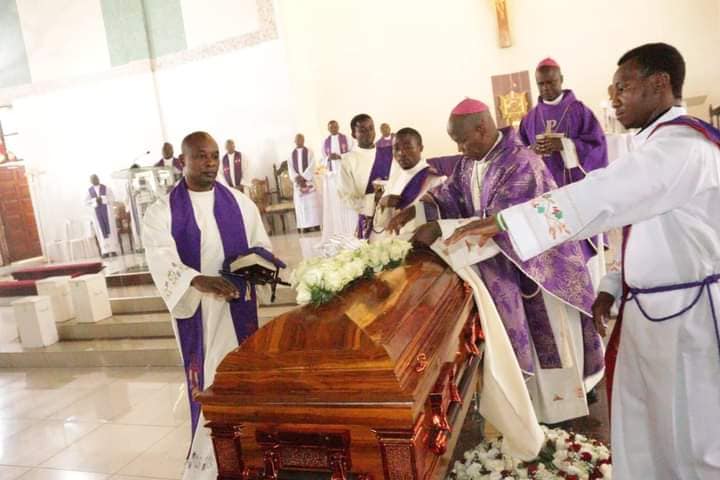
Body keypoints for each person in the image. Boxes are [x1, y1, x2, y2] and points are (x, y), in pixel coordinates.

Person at [443, 44, 720, 479]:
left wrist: (506, 221)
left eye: (623, 87)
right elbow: (648, 231)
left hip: (688, 321)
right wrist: (614, 283)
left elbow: (605, 194)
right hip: (651, 312)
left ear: (660, 83)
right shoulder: (655, 144)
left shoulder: (683, 147)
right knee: (654, 427)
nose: (613, 97)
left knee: (695, 431)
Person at [388, 98, 603, 425]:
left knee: (554, 341)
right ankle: (532, 409)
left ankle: (565, 413)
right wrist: (415, 210)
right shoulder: (470, 162)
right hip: (508, 268)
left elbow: (501, 223)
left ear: (482, 128)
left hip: (540, 271)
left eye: (462, 140)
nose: (459, 149)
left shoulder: (521, 163)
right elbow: (449, 196)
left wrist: (440, 229)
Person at [142, 131, 281, 480]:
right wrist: (197, 280)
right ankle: (209, 460)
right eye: (201, 156)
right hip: (199, 312)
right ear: (182, 161)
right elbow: (160, 257)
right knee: (208, 380)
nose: (210, 163)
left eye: (214, 156)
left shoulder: (239, 203)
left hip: (237, 306)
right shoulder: (163, 211)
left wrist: (259, 265)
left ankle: (248, 448)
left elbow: (262, 246)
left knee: (242, 377)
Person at [519, 58, 609, 287]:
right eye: (541, 84)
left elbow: (597, 145)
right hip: (543, 196)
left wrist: (565, 146)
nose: (546, 88)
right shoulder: (530, 118)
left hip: (576, 192)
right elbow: (519, 155)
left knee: (582, 252)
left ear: (562, 80)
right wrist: (532, 151)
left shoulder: (579, 111)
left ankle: (594, 294)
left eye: (551, 82)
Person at [371, 127, 444, 239]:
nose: (401, 153)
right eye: (396, 148)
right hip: (393, 243)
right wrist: (383, 204)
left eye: (408, 147)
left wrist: (414, 212)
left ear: (420, 148)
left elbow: (441, 217)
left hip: (420, 245)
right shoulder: (395, 176)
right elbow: (381, 225)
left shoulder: (434, 178)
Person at [338, 114, 394, 239]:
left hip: (393, 218)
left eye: (371, 128)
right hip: (368, 219)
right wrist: (373, 201)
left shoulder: (389, 153)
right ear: (354, 134)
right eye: (362, 130)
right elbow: (346, 196)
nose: (368, 133)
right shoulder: (348, 160)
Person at [319, 120, 356, 240]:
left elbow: (353, 154)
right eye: (331, 127)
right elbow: (322, 159)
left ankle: (351, 229)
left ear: (338, 126)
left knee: (346, 201)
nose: (333, 129)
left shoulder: (347, 139)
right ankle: (338, 230)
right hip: (332, 177)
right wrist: (328, 158)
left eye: (335, 126)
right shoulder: (325, 142)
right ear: (328, 129)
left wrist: (340, 156)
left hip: (345, 175)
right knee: (336, 203)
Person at [288, 133, 321, 233]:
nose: (299, 141)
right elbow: (290, 168)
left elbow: (312, 165)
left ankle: (315, 224)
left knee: (312, 204)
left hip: (309, 181)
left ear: (304, 140)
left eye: (301, 139)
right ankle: (305, 226)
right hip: (298, 183)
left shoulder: (310, 152)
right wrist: (297, 178)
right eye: (297, 139)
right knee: (301, 205)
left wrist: (304, 177)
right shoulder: (291, 154)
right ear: (295, 141)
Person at [85, 174, 120, 258]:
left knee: (111, 229)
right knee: (100, 231)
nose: (95, 180)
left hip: (108, 213)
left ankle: (113, 250)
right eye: (92, 179)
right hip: (97, 214)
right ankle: (105, 251)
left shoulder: (106, 188)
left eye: (96, 178)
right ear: (90, 181)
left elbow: (112, 198)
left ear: (98, 178)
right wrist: (95, 200)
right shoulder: (89, 191)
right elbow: (86, 202)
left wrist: (103, 199)